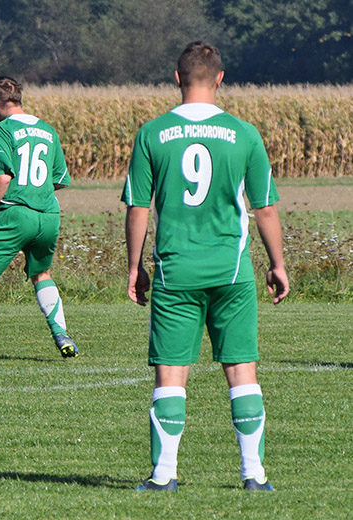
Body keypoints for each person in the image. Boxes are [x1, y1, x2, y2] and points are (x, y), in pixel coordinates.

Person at [122, 41, 289, 491]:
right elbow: (265, 209)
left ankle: (163, 476)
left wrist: (135, 266)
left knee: (171, 375)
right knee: (241, 371)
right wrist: (278, 264)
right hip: (231, 271)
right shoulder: (245, 133)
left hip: (176, 273)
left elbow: (138, 208)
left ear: (177, 79)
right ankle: (254, 475)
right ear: (219, 79)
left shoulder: (152, 133)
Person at [0, 76, 78, 366]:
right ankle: (62, 335)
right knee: (42, 274)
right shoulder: (48, 130)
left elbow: (2, 177)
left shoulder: (0, 129)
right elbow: (60, 179)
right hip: (48, 216)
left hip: (15, 214)